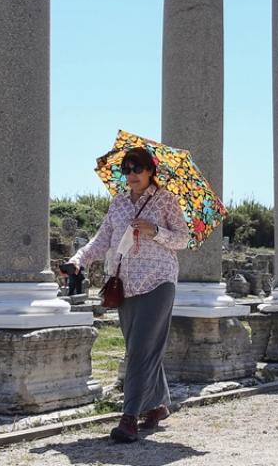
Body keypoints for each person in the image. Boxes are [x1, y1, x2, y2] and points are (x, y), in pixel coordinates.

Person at [68, 146, 188, 443]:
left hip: (159, 282)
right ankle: (157, 406)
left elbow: (183, 239)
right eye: (127, 169)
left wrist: (155, 230)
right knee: (141, 346)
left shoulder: (166, 200)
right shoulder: (119, 204)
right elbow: (101, 240)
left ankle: (129, 418)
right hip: (124, 284)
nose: (131, 174)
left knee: (139, 350)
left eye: (137, 168)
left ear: (150, 171)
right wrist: (78, 260)